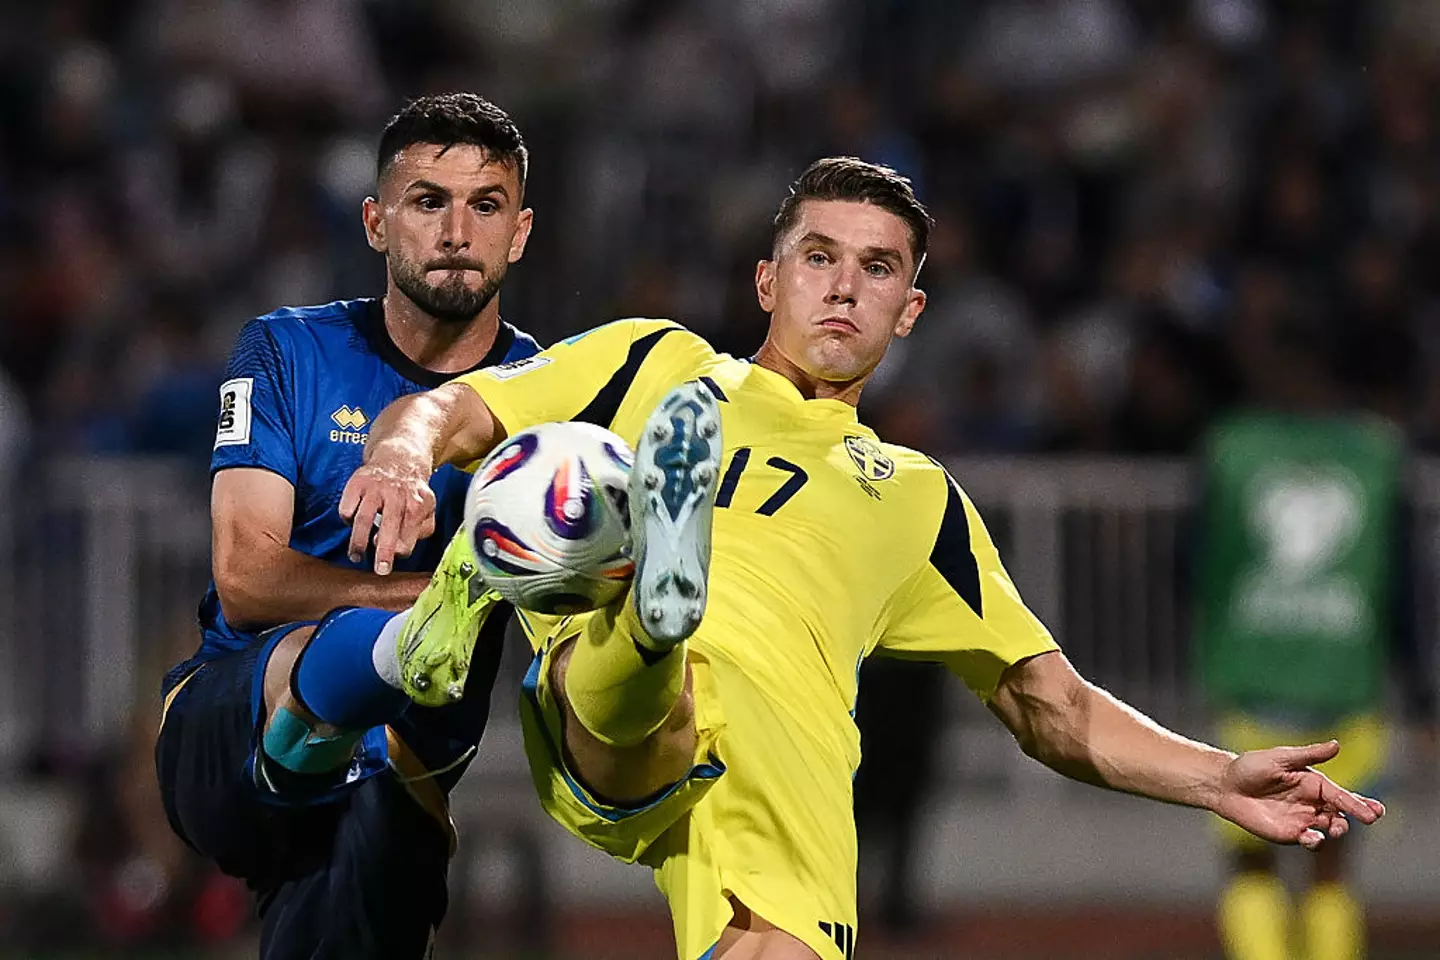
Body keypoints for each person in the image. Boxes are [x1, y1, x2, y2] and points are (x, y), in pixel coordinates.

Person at [344, 157, 1386, 960]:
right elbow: (461, 404)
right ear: (767, 279)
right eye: (820, 258)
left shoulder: (918, 497)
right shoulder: (661, 363)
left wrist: (1216, 777)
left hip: (787, 778)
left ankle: (611, 583)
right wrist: (398, 452)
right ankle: (626, 596)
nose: (845, 288)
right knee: (643, 674)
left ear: (909, 310)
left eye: (877, 268)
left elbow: (1050, 707)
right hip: (620, 700)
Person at [154, 92, 540, 959]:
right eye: (427, 201)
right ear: (376, 223)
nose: (456, 232)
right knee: (307, 655)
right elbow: (248, 582)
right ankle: (353, 683)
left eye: (485, 206)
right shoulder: (286, 351)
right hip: (234, 725)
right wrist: (440, 594)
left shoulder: (549, 392)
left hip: (397, 781)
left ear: (518, 233)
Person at [1196, 319, 1434, 960]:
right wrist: (1420, 694)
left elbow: (1186, 566)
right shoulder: (1379, 452)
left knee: (1251, 861)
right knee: (1333, 864)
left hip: (1252, 682)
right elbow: (1403, 585)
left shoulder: (1231, 447)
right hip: (1346, 689)